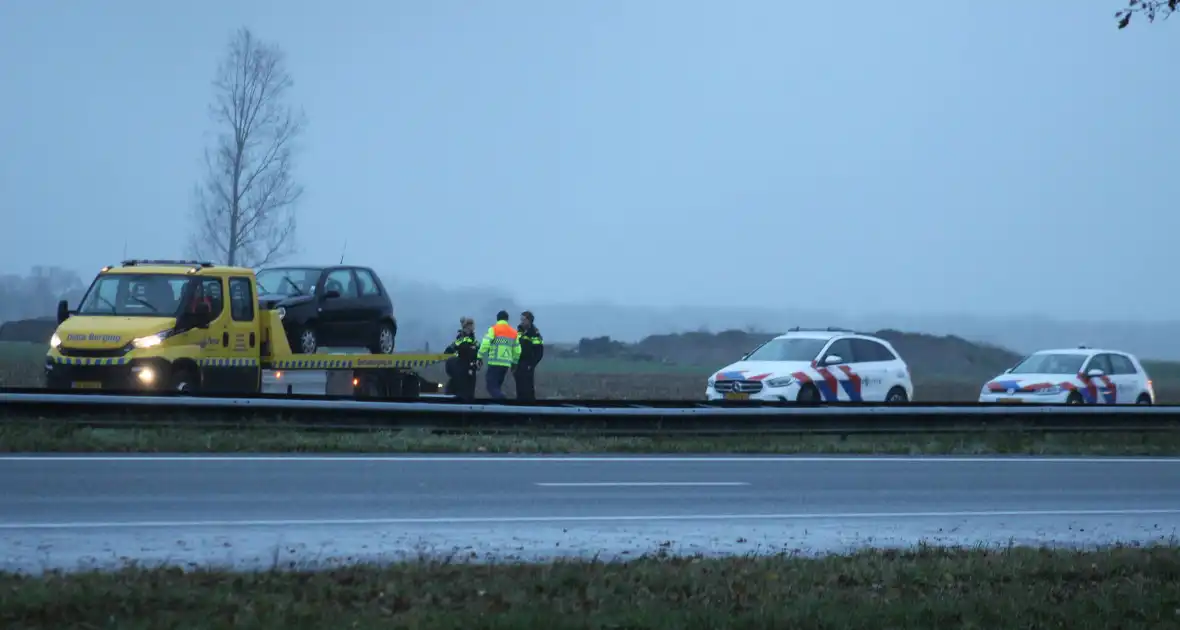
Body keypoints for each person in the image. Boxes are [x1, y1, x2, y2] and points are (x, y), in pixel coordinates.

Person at [477, 310, 520, 399]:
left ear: (497, 319)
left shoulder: (494, 329)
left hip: (494, 363)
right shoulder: (514, 332)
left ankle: (502, 401)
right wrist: (515, 363)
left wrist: (479, 356)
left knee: (491, 386)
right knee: (497, 387)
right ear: (507, 319)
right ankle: (499, 405)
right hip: (506, 365)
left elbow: (485, 343)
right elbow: (517, 350)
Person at [444, 317, 479, 401]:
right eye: (468, 326)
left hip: (471, 370)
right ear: (464, 328)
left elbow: (479, 354)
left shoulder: (475, 342)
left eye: (471, 326)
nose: (470, 328)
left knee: (470, 394)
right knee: (461, 393)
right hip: (461, 369)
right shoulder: (460, 340)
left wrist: (478, 363)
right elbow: (448, 351)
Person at [514, 310, 544, 401]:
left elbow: (539, 352)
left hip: (528, 364)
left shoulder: (534, 333)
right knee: (519, 388)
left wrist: (532, 365)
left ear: (529, 320)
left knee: (528, 389)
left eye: (523, 320)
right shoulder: (518, 331)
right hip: (518, 364)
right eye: (521, 320)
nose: (521, 322)